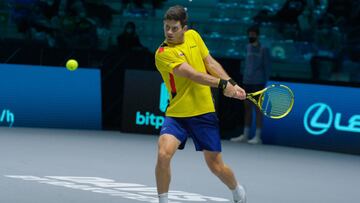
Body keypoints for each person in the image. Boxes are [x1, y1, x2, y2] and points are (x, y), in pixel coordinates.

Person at [154, 5, 247, 203]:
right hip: (177, 114)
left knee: (216, 166)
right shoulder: (163, 53)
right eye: (166, 27)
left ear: (184, 28)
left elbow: (210, 63)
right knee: (163, 154)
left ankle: (237, 190)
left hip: (203, 111)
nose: (169, 32)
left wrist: (232, 83)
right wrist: (223, 85)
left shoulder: (194, 37)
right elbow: (192, 74)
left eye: (174, 28)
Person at [230, 26, 271, 144]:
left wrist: (265, 82)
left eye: (253, 34)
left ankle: (258, 136)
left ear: (257, 35)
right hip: (247, 81)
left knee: (258, 108)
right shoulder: (247, 47)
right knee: (247, 107)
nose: (251, 36)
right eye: (249, 34)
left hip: (258, 82)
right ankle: (246, 135)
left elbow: (267, 66)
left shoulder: (264, 49)